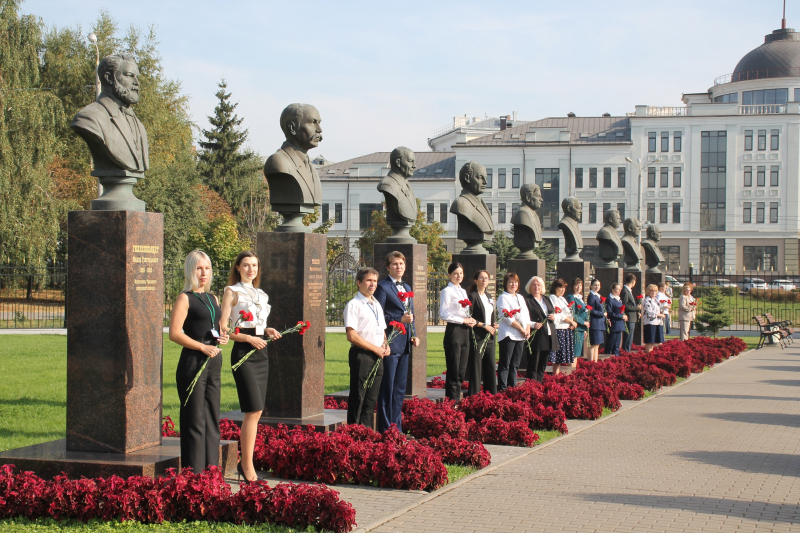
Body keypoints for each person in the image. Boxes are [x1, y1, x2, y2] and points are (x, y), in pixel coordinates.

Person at [219, 251, 281, 484]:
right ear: (237, 267)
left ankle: (246, 461)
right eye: (246, 265)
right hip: (244, 353)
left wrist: (267, 330)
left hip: (261, 352)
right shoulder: (232, 291)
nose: (250, 269)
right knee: (252, 408)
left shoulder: (261, 294)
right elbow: (224, 328)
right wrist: (248, 339)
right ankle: (246, 465)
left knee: (257, 411)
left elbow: (257, 324)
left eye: (254, 265)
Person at [168, 250, 229, 474]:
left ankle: (211, 473)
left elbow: (214, 328)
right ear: (190, 270)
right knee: (194, 418)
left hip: (214, 361)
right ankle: (193, 475)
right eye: (199, 268)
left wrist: (222, 337)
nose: (204, 273)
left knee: (212, 417)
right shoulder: (185, 298)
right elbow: (174, 333)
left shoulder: (213, 298)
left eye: (207, 268)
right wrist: (202, 347)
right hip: (193, 362)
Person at [373, 251, 419, 432]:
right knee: (387, 388)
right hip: (390, 345)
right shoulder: (383, 287)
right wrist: (399, 319)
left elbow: (410, 315)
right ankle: (386, 429)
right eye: (394, 264)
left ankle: (396, 429)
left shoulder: (407, 287)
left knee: (399, 390)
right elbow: (378, 316)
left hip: (405, 345)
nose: (398, 267)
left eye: (401, 264)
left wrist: (414, 333)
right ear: (388, 267)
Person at [344, 267, 390, 426]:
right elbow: (352, 335)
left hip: (378, 355)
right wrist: (375, 348)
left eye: (375, 281)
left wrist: (385, 344)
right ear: (359, 282)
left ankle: (367, 433)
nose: (373, 284)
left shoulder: (376, 303)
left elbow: (382, 329)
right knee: (359, 397)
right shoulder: (354, 305)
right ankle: (354, 432)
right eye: (369, 280)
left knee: (371, 399)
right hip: (362, 356)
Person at [439, 263, 477, 400]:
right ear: (449, 275)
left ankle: (457, 401)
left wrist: (469, 319)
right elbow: (443, 314)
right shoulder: (447, 291)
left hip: (465, 331)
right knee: (454, 369)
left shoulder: (463, 291)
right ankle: (451, 401)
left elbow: (463, 312)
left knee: (462, 369)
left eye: (461, 273)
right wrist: (462, 320)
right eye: (455, 273)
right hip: (454, 331)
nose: (458, 276)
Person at [466, 270, 499, 395]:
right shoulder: (473, 296)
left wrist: (494, 324)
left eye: (486, 278)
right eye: (481, 278)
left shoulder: (489, 296)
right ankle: (474, 395)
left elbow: (491, 314)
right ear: (476, 281)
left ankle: (491, 395)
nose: (484, 280)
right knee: (476, 366)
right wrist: (484, 325)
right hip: (478, 335)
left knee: (490, 365)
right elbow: (469, 317)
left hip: (489, 335)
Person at [496, 273, 531, 390]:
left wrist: (527, 330)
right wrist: (521, 329)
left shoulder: (520, 297)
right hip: (508, 335)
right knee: (505, 363)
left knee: (515, 364)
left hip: (521, 336)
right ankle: (503, 388)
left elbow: (526, 315)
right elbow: (507, 317)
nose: (513, 284)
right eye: (510, 282)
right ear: (505, 284)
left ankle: (513, 387)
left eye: (515, 282)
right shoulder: (503, 298)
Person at [524, 276, 558, 382]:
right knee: (534, 363)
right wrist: (533, 324)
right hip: (536, 336)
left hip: (548, 334)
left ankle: (539, 384)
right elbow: (523, 318)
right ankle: (532, 385)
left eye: (538, 285)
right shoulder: (527, 300)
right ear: (529, 287)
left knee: (543, 364)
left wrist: (554, 317)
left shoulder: (546, 299)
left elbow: (552, 312)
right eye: (533, 285)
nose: (536, 287)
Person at [547, 279, 578, 375]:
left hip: (566, 328)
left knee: (561, 356)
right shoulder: (552, 298)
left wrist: (571, 323)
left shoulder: (562, 299)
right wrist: (571, 322)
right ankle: (555, 374)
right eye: (560, 287)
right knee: (557, 356)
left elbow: (568, 312)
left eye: (564, 287)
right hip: (559, 329)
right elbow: (559, 314)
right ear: (555, 288)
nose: (563, 289)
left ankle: (558, 374)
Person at [565, 278, 589, 366]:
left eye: (580, 285)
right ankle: (570, 371)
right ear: (572, 286)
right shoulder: (571, 297)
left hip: (581, 328)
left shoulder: (579, 297)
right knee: (574, 353)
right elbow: (572, 313)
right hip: (575, 327)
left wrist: (585, 328)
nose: (578, 287)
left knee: (577, 352)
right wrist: (583, 322)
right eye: (576, 285)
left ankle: (573, 370)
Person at [604, 283, 627, 356]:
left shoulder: (618, 299)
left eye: (620, 289)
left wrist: (624, 315)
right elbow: (610, 312)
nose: (619, 291)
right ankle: (607, 357)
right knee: (611, 343)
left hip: (619, 324)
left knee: (617, 344)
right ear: (613, 290)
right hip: (614, 324)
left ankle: (616, 358)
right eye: (618, 289)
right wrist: (621, 316)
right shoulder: (610, 300)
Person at [587, 279, 606, 362]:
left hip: (600, 323)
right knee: (593, 344)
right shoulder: (591, 296)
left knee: (597, 344)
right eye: (595, 285)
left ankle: (595, 362)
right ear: (591, 286)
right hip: (595, 323)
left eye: (598, 285)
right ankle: (591, 362)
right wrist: (602, 314)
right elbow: (590, 310)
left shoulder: (597, 296)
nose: (597, 287)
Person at [643, 284, 666, 351]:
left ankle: (651, 353)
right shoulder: (647, 300)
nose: (653, 292)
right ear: (648, 291)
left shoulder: (655, 300)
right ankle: (648, 353)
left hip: (657, 322)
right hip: (650, 323)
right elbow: (649, 312)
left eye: (655, 291)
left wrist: (662, 312)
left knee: (653, 341)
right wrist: (659, 315)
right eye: (652, 290)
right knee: (649, 340)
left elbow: (658, 309)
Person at [620, 273, 640, 352]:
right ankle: (625, 351)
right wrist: (637, 307)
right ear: (633, 282)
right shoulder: (625, 291)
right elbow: (625, 305)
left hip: (632, 317)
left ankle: (627, 350)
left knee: (630, 336)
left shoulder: (628, 290)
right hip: (629, 317)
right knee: (628, 336)